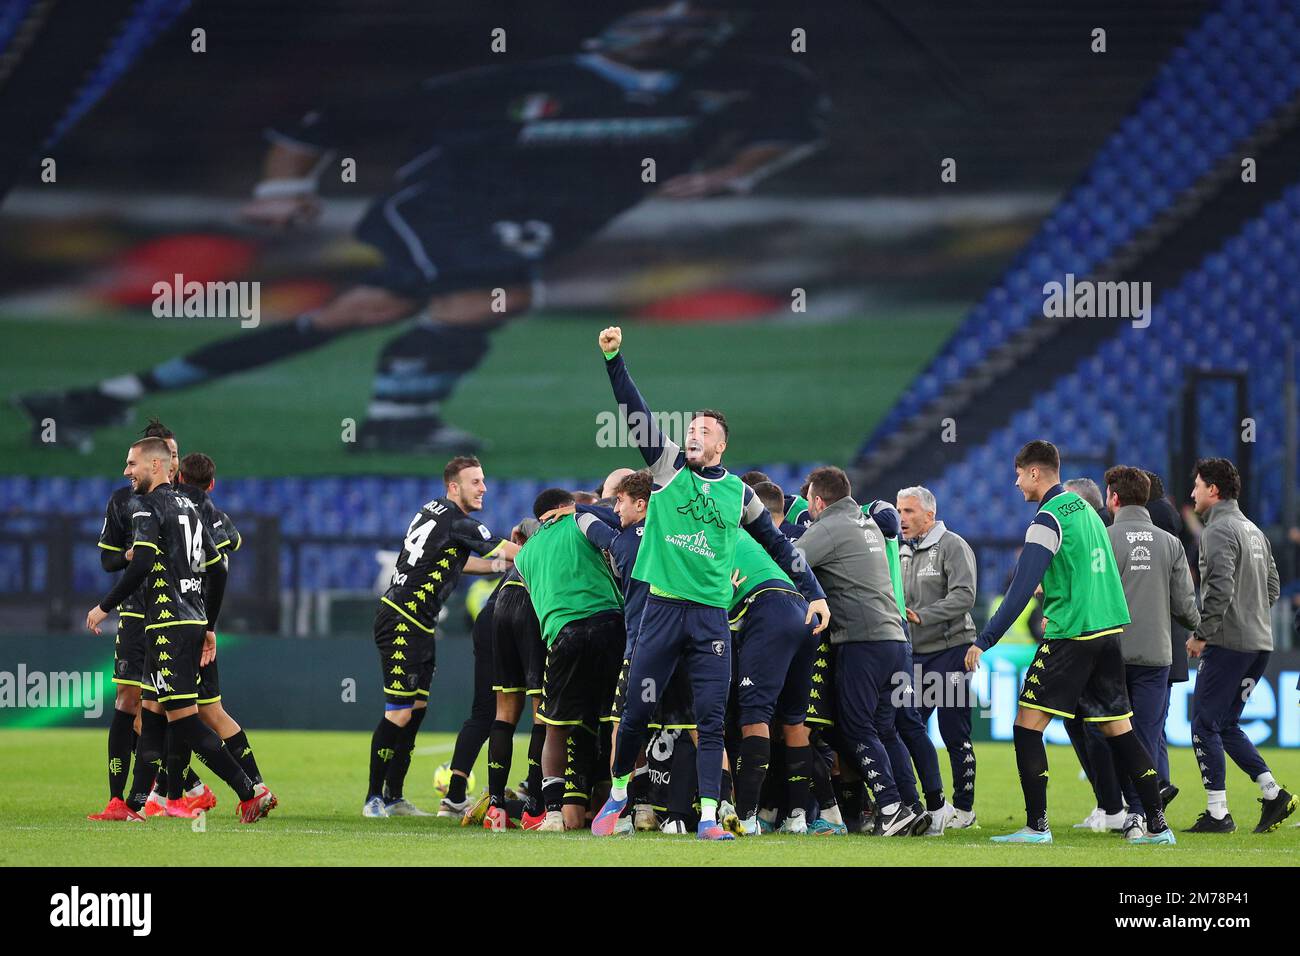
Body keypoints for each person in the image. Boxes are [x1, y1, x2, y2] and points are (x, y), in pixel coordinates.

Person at [19, 5, 826, 454]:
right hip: (440, 208)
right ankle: (394, 423)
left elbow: (795, 122)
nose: (681, 27)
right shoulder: (524, 82)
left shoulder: (723, 92)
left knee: (353, 314)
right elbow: (325, 116)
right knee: (494, 296)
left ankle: (104, 396)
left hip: (526, 229)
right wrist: (278, 187)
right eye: (665, 17)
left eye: (696, 21)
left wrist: (732, 175)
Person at [588, 325, 829, 841]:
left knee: (712, 718)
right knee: (636, 711)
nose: (692, 434)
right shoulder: (669, 470)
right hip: (663, 609)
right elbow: (637, 413)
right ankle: (617, 795)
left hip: (710, 616)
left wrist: (815, 592)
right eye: (690, 429)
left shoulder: (740, 494)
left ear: (721, 445)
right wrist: (615, 361)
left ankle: (706, 819)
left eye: (702, 431)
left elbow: (780, 546)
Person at [967, 440, 1173, 844]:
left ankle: (1036, 827)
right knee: (1120, 729)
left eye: (1018, 475)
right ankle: (1157, 827)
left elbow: (1021, 589)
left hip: (1072, 634)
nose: (1015, 483)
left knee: (1027, 726)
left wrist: (985, 639)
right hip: (1108, 632)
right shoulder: (1088, 512)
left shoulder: (1047, 518)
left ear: (1034, 473)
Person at [86, 438, 274, 823]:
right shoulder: (189, 505)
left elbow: (140, 566)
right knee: (153, 713)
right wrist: (209, 624)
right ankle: (134, 805)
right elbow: (218, 566)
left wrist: (104, 606)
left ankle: (247, 791)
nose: (126, 472)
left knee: (184, 719)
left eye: (132, 464)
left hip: (168, 623)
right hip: (185, 620)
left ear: (156, 466)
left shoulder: (146, 507)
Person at [363, 456, 519, 818]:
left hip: (418, 623)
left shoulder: (434, 513)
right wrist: (537, 554)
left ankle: (394, 795)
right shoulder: (458, 520)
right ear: (454, 486)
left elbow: (457, 563)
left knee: (415, 711)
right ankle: (374, 798)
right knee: (399, 712)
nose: (484, 488)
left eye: (483, 480)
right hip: (402, 618)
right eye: (475, 481)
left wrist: (503, 566)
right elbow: (504, 548)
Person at [793, 466, 920, 836]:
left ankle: (892, 807)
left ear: (818, 501)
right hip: (895, 639)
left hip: (861, 641)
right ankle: (911, 806)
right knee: (884, 728)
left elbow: (790, 561)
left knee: (856, 727)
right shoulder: (867, 524)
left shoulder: (829, 528)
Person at [1184, 457, 1295, 833]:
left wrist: (1202, 634)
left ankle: (1218, 814)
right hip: (1259, 644)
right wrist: (1249, 615)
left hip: (1229, 644)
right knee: (1225, 723)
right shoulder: (1253, 530)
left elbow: (1218, 590)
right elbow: (1274, 588)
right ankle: (1272, 793)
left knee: (1202, 724)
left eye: (1197, 485)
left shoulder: (1217, 531)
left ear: (1213, 490)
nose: (1192, 493)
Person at [515, 489, 626, 832]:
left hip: (563, 635)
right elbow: (617, 547)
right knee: (619, 719)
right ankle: (631, 810)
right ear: (566, 507)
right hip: (609, 624)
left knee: (556, 727)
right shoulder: (580, 520)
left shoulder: (523, 555)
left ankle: (551, 815)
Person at [1102, 465, 1200, 838]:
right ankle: (1146, 815)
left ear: (1114, 498)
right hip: (1157, 655)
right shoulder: (1170, 543)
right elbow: (1184, 605)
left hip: (1112, 654)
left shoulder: (1104, 540)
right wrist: (1202, 630)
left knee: (1117, 735)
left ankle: (1133, 811)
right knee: (1147, 733)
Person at [897, 484, 979, 830]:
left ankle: (964, 809)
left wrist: (923, 615)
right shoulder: (899, 550)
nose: (902, 518)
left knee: (953, 730)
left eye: (909, 512)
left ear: (929, 515)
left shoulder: (952, 546)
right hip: (912, 654)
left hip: (950, 650)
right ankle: (918, 801)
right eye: (899, 511)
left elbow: (965, 596)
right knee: (904, 727)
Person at [480, 520, 547, 829]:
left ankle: (496, 808)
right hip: (532, 600)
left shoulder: (524, 548)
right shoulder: (566, 534)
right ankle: (534, 809)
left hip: (503, 599)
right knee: (541, 715)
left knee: (504, 712)